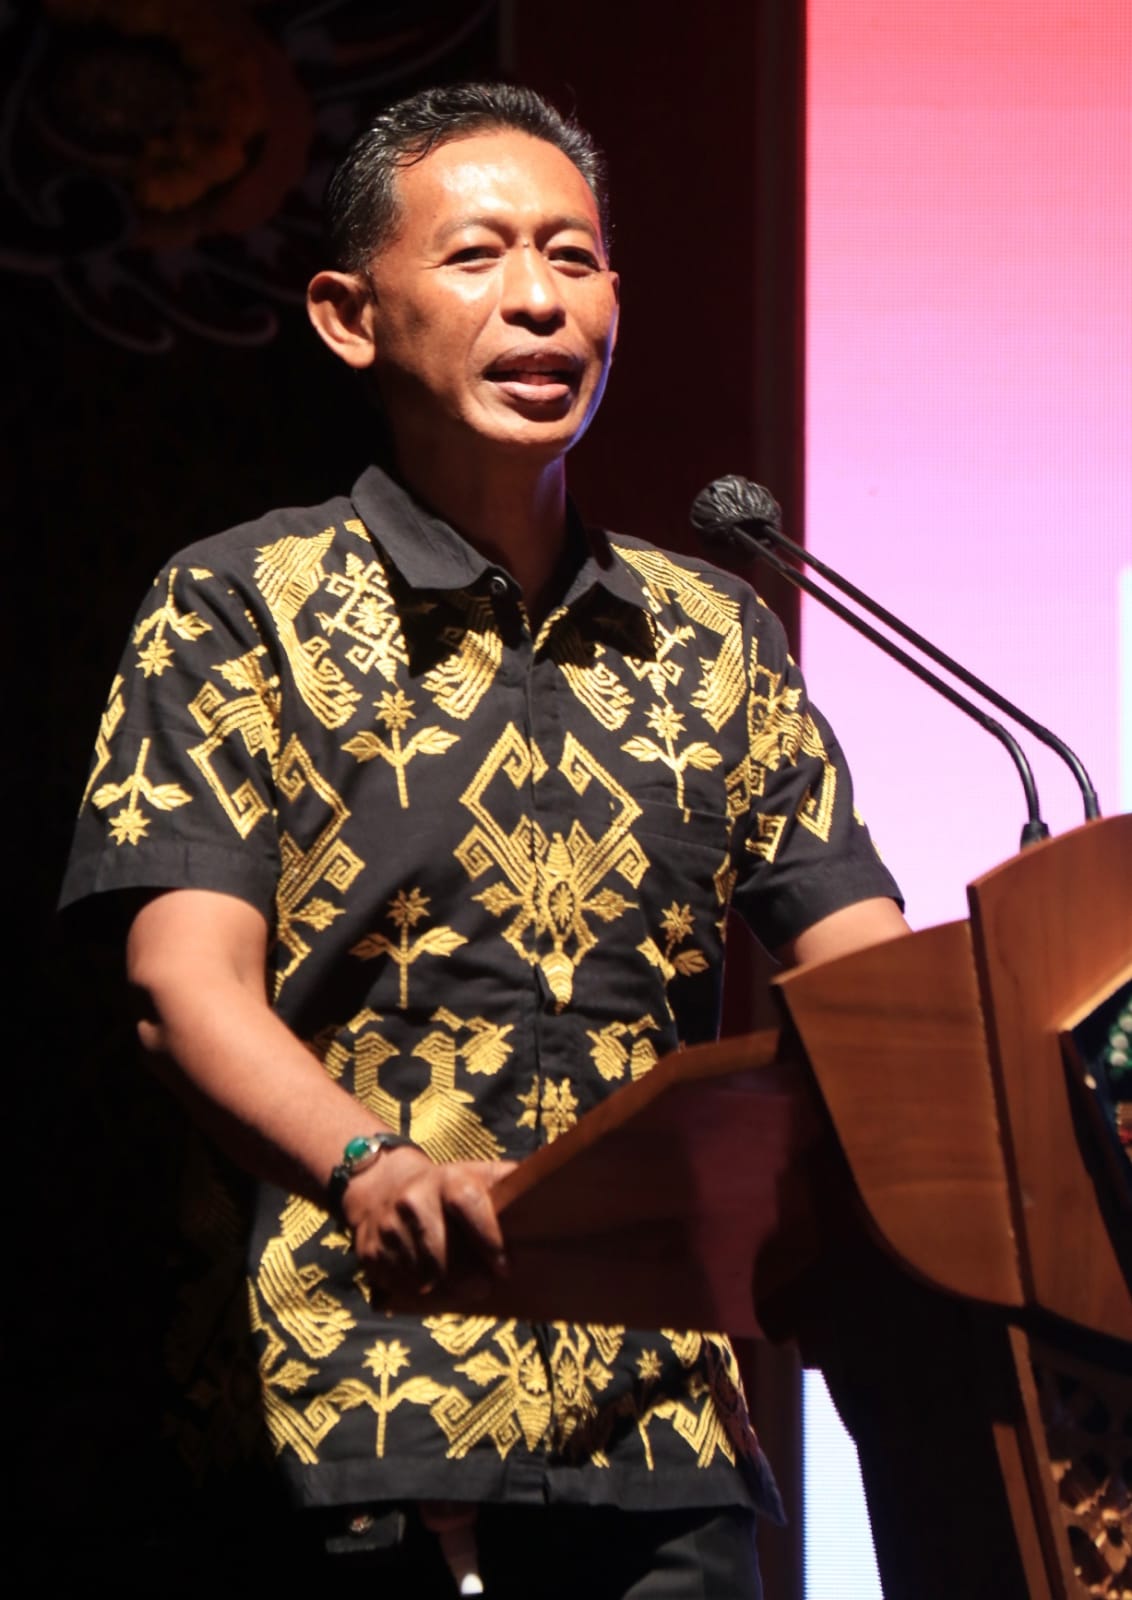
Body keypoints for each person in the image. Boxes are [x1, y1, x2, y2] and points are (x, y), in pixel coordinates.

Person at [61, 82, 908, 1597]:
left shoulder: (714, 635)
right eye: (478, 255)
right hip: (350, 1409)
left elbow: (871, 985)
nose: (538, 300)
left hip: (662, 1436)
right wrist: (369, 1162)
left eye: (573, 258)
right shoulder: (238, 607)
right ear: (349, 317)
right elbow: (182, 986)